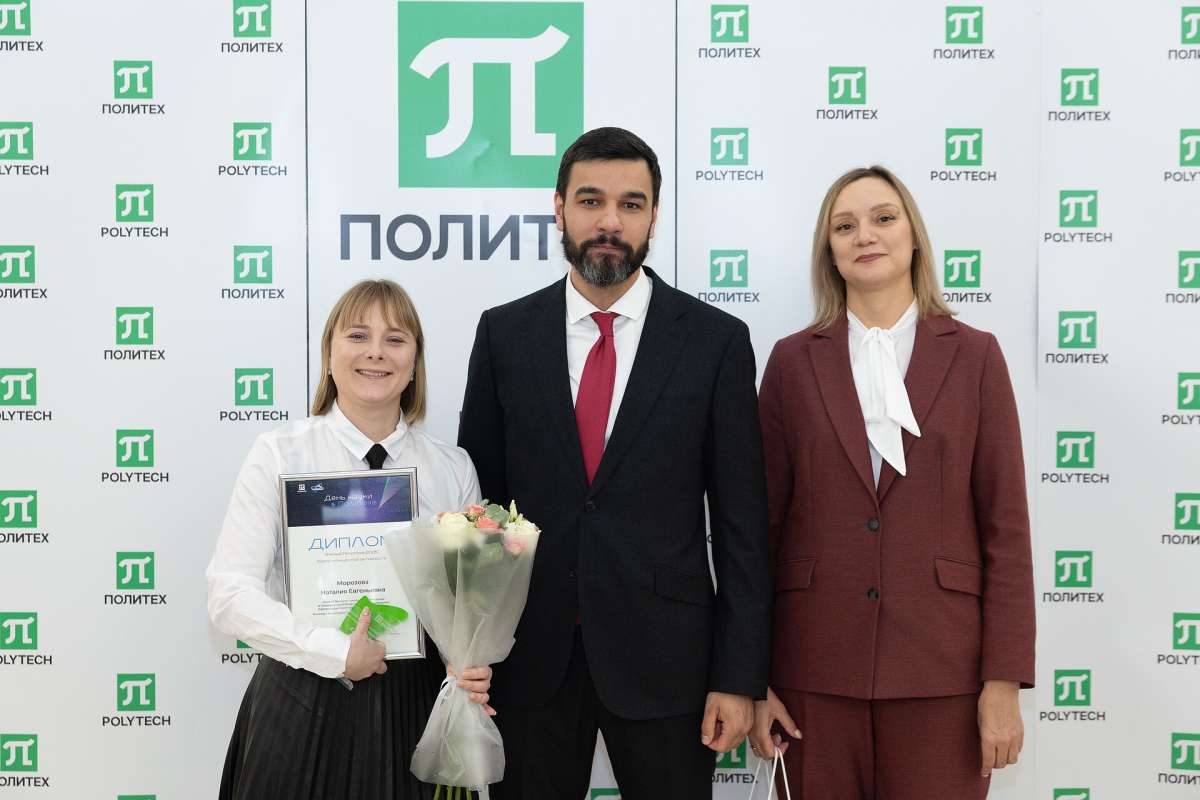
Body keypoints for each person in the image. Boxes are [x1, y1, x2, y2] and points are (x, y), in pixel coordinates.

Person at [457, 126, 771, 799]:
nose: (609, 221)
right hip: (529, 661)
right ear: (559, 209)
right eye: (591, 200)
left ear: (654, 216)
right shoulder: (504, 335)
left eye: (631, 204)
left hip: (670, 665)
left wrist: (738, 676)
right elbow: (480, 512)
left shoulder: (715, 342)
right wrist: (468, 649)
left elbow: (743, 528)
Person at [750, 166, 1036, 799]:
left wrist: (1003, 680)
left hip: (944, 673)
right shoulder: (792, 361)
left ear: (913, 236)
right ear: (828, 251)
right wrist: (753, 677)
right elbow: (759, 529)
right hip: (811, 674)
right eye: (844, 226)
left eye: (883, 218)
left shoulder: (976, 355)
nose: (865, 235)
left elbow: (1006, 530)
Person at [207, 279, 494, 800]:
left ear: (414, 362)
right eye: (358, 335)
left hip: (416, 708)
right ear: (328, 354)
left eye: (395, 339)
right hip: (302, 693)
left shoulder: (452, 469)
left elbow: (466, 605)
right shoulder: (280, 454)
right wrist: (335, 652)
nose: (376, 352)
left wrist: (467, 657)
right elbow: (230, 595)